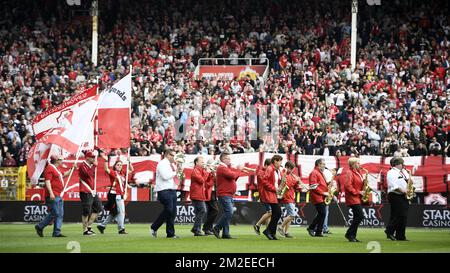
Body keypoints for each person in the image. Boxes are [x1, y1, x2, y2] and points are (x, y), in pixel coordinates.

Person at [34, 155, 74, 237]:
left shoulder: (55, 169)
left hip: (58, 194)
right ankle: (40, 226)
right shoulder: (50, 168)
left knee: (59, 214)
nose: (61, 160)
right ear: (57, 161)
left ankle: (56, 232)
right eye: (60, 159)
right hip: (54, 194)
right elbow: (47, 181)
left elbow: (63, 175)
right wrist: (51, 192)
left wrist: (71, 169)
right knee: (56, 212)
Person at [212, 152, 247, 239]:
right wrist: (239, 169)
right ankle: (216, 228)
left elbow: (234, 177)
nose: (230, 160)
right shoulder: (222, 168)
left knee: (227, 213)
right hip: (224, 194)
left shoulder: (224, 168)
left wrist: (239, 171)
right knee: (229, 212)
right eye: (228, 158)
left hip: (228, 194)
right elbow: (233, 175)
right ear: (223, 159)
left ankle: (225, 233)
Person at [97, 153, 134, 234]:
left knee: (115, 212)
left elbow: (131, 170)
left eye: (121, 165)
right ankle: (121, 229)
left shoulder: (123, 173)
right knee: (121, 212)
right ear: (115, 166)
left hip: (120, 194)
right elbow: (106, 169)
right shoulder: (114, 173)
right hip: (116, 195)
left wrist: (129, 161)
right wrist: (106, 160)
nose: (120, 166)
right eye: (118, 165)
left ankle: (102, 225)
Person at [150, 148, 180, 238]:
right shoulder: (162, 163)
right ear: (167, 155)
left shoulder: (172, 165)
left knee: (173, 212)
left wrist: (179, 174)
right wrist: (175, 172)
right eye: (173, 155)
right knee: (169, 209)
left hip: (172, 189)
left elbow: (174, 177)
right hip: (163, 190)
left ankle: (170, 234)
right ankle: (154, 227)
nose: (174, 157)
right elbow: (165, 176)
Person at [277, 161, 307, 238]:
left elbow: (294, 187)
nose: (292, 170)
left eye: (292, 169)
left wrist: (299, 185)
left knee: (289, 216)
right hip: (286, 196)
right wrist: (295, 180)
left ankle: (286, 232)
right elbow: (287, 184)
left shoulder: (291, 175)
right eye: (290, 168)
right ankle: (280, 227)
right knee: (292, 215)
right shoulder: (284, 173)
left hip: (291, 196)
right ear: (287, 167)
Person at [385, 157, 410, 241]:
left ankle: (401, 235)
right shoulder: (391, 172)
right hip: (395, 195)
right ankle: (389, 231)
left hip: (404, 195)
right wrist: (404, 191)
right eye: (402, 163)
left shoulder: (404, 172)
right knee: (398, 215)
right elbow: (393, 185)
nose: (403, 165)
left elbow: (409, 181)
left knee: (404, 216)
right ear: (397, 164)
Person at [79, 151, 103, 236]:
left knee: (98, 208)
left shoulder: (90, 165)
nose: (94, 158)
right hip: (85, 190)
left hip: (92, 191)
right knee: (86, 211)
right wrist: (95, 166)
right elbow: (88, 174)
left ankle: (89, 226)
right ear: (87, 157)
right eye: (92, 157)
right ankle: (85, 230)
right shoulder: (83, 166)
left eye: (94, 157)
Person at [260, 155, 283, 240]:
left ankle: (272, 233)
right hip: (270, 193)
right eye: (280, 161)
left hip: (273, 193)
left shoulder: (277, 170)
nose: (281, 163)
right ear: (275, 161)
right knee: (278, 212)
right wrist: (275, 189)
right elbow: (264, 181)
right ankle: (268, 231)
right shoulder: (270, 169)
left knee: (276, 213)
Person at [343, 157, 366, 242]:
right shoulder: (349, 172)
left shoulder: (358, 172)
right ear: (353, 164)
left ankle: (352, 236)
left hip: (357, 197)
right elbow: (348, 185)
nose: (360, 165)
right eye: (358, 163)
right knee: (360, 216)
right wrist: (358, 192)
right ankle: (349, 233)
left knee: (357, 216)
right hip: (353, 198)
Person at [189, 156, 213, 236]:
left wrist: (210, 173)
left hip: (199, 194)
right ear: (196, 163)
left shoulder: (200, 170)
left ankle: (197, 230)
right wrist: (208, 171)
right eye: (202, 162)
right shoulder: (195, 171)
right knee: (203, 210)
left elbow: (207, 179)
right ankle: (196, 229)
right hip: (196, 194)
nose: (203, 163)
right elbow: (202, 180)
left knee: (199, 212)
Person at [306, 158, 329, 237]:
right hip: (317, 196)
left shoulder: (319, 173)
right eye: (323, 164)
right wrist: (323, 193)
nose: (325, 166)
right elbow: (313, 186)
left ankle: (319, 231)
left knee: (322, 213)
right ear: (319, 164)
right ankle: (311, 228)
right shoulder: (314, 173)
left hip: (321, 196)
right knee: (322, 213)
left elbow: (320, 185)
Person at [253, 159, 272, 235]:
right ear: (266, 165)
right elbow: (265, 184)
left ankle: (268, 230)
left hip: (266, 194)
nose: (271, 169)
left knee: (269, 212)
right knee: (270, 212)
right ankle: (257, 225)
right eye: (270, 166)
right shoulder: (262, 172)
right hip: (265, 194)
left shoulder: (264, 172)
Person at [202, 159, 219, 235]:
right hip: (208, 193)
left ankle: (208, 228)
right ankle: (206, 227)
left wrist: (214, 174)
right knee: (215, 210)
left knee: (211, 211)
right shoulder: (206, 172)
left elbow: (216, 182)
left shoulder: (212, 172)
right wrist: (211, 174)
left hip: (213, 193)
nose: (215, 166)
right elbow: (207, 184)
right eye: (213, 164)